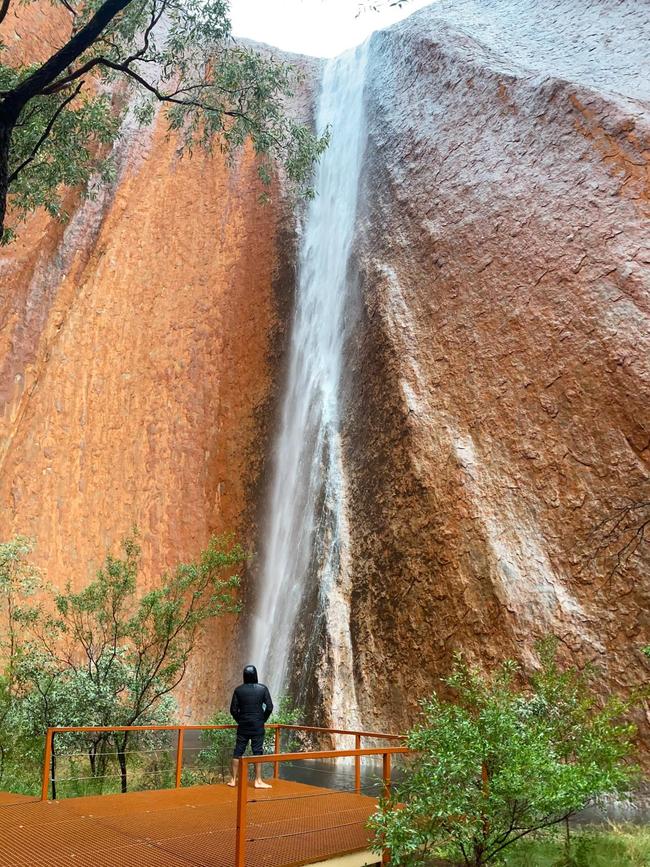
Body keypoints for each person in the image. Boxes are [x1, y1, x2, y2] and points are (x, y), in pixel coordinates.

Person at [227, 664, 274, 789]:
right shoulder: (262, 689)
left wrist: (240, 720)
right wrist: (262, 719)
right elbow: (269, 707)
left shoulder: (238, 690)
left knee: (238, 751)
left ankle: (233, 780)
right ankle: (258, 781)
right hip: (257, 725)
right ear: (255, 675)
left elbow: (233, 710)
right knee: (257, 752)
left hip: (243, 725)